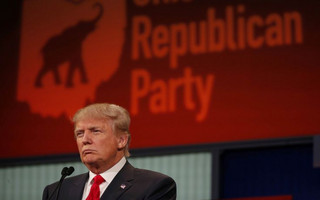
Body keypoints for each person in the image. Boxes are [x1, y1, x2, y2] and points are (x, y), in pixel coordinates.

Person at [42, 103, 176, 200]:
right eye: (80, 133)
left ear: (121, 140)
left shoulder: (154, 185)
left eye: (95, 131)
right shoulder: (56, 192)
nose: (85, 140)